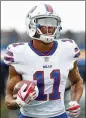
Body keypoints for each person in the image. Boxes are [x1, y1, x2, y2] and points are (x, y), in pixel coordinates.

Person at [4, 3, 83, 118]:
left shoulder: (68, 49)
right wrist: (18, 102)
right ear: (31, 24)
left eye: (52, 22)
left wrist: (75, 101)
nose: (50, 27)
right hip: (29, 116)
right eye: (44, 22)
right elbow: (9, 97)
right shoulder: (18, 53)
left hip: (59, 115)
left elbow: (76, 81)